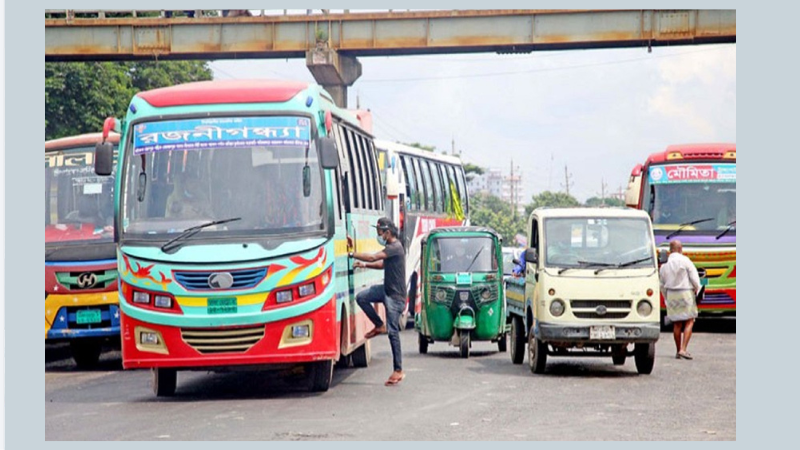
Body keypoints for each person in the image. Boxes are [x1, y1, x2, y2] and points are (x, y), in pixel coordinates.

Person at [348, 217, 406, 386]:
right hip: (386, 290)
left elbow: (373, 258)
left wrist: (351, 254)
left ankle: (398, 370)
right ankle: (379, 324)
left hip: (395, 296)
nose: (378, 235)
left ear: (388, 232)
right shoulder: (391, 249)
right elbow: (381, 265)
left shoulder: (395, 247)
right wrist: (363, 265)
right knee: (362, 297)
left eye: (380, 233)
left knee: (393, 332)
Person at [659, 240, 701, 360]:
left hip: (671, 293)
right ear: (680, 249)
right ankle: (683, 349)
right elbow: (694, 278)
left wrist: (666, 297)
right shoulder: (685, 261)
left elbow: (661, 284)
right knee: (689, 320)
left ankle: (678, 350)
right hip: (685, 292)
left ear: (670, 250)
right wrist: (698, 290)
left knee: (677, 323)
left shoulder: (664, 265)